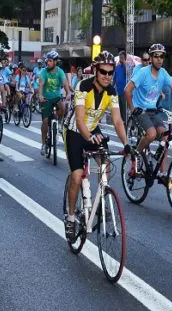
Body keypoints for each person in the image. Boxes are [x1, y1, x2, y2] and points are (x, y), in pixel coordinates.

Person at [63, 51, 130, 242]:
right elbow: (79, 119)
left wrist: (126, 144)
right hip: (75, 130)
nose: (107, 76)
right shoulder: (83, 86)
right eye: (103, 72)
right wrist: (89, 136)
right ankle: (70, 217)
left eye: (111, 72)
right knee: (77, 175)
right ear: (95, 70)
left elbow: (117, 121)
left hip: (92, 128)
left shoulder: (112, 91)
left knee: (106, 165)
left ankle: (99, 201)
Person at [124, 43, 172, 177]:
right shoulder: (143, 73)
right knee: (152, 134)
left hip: (153, 111)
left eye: (162, 56)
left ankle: (162, 173)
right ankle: (136, 154)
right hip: (140, 110)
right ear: (151, 58)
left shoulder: (163, 73)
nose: (159, 59)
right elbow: (127, 90)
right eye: (156, 56)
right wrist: (132, 109)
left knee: (165, 135)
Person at [38, 50, 71, 156]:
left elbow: (65, 84)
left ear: (55, 62)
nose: (48, 63)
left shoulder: (60, 71)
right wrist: (40, 96)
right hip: (46, 99)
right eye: (47, 61)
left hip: (56, 97)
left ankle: (60, 123)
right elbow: (41, 85)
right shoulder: (43, 71)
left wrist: (68, 93)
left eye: (50, 61)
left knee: (63, 107)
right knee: (45, 122)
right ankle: (43, 144)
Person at [114, 51, 128, 123]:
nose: (121, 59)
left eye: (122, 57)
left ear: (125, 58)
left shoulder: (127, 66)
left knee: (124, 109)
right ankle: (121, 121)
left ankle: (125, 122)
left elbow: (127, 73)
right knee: (119, 108)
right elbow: (114, 77)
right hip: (118, 91)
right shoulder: (117, 67)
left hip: (124, 91)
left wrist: (124, 63)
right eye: (120, 57)